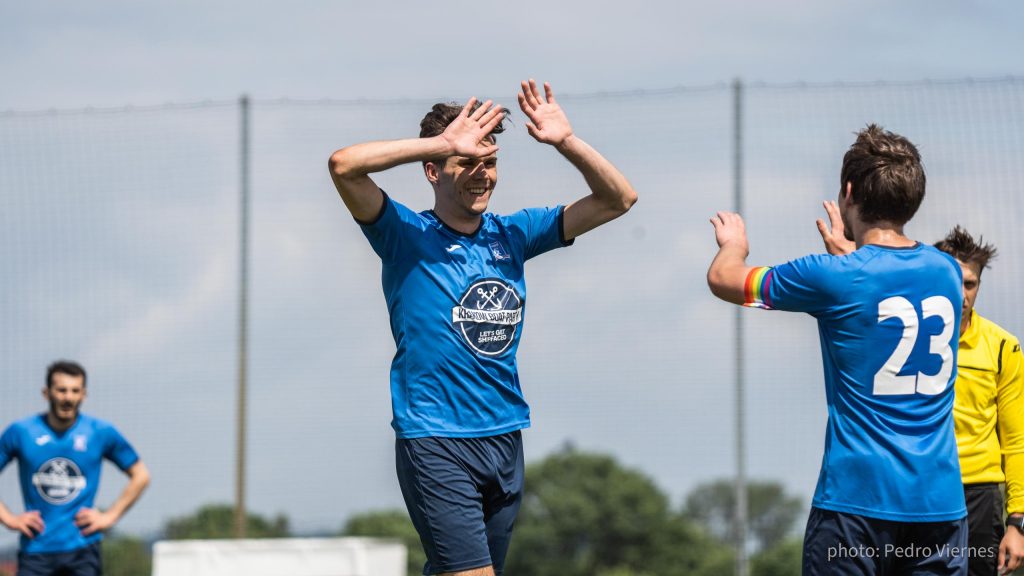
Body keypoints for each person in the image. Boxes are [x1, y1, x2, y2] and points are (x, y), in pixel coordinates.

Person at [328, 79, 636, 576]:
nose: (482, 175)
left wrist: (566, 142)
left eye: (489, 163)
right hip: (436, 438)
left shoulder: (514, 234)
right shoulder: (404, 234)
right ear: (432, 171)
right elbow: (344, 165)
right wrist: (442, 141)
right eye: (466, 162)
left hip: (505, 437)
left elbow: (618, 199)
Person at [708, 125, 967, 575]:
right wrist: (851, 258)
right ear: (913, 199)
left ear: (848, 192)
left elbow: (725, 280)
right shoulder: (945, 270)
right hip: (939, 505)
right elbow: (887, 281)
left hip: (856, 503)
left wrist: (735, 245)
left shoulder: (832, 276)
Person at [0, 361, 150, 576]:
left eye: (75, 391)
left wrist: (109, 517)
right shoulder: (21, 432)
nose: (68, 397)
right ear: (46, 393)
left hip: (83, 550)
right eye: (61, 390)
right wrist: (9, 519)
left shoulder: (100, 432)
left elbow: (141, 475)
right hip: (36, 550)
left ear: (84, 395)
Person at [934, 227, 1024, 576]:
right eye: (952, 280)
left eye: (970, 284)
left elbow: (1016, 441)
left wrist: (1017, 522)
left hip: (980, 496)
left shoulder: (1003, 347)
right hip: (922, 488)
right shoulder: (908, 338)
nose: (960, 293)